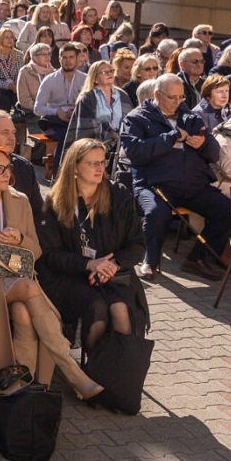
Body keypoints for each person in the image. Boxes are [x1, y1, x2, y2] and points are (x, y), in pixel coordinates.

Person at [0, 144, 102, 393]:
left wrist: (18, 239)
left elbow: (37, 250)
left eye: (8, 167)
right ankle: (72, 371)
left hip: (16, 269)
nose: (7, 173)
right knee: (29, 286)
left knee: (22, 313)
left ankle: (22, 385)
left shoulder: (19, 200)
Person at [41, 138, 150, 358]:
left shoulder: (118, 195)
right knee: (97, 308)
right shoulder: (56, 202)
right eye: (93, 163)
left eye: (102, 162)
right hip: (72, 276)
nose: (101, 168)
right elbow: (50, 254)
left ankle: (120, 375)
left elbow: (137, 244)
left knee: (120, 309)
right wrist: (89, 264)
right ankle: (94, 372)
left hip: (114, 273)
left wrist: (113, 264)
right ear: (74, 167)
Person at [120, 74, 231, 281]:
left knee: (225, 209)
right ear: (157, 95)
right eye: (172, 98)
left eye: (181, 97)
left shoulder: (189, 116)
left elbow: (215, 153)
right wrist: (169, 138)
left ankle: (198, 257)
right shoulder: (136, 118)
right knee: (156, 213)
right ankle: (150, 261)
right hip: (154, 184)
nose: (178, 102)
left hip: (193, 184)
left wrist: (204, 144)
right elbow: (135, 151)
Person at [62, 60, 130, 157]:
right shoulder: (87, 98)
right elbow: (85, 129)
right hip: (94, 146)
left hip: (121, 146)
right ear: (95, 79)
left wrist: (120, 135)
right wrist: (109, 133)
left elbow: (129, 121)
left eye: (111, 71)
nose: (109, 74)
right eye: (104, 72)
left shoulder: (123, 96)